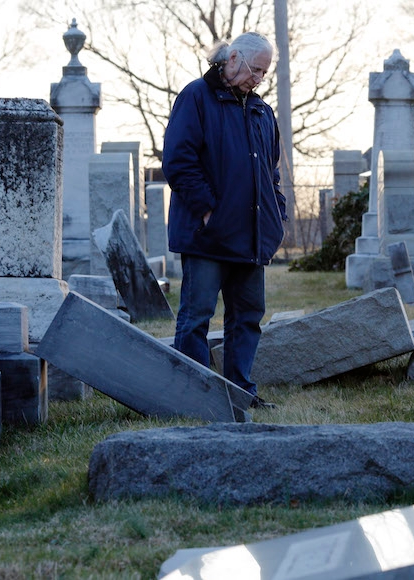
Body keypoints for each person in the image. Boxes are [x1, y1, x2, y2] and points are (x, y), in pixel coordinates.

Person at [162, 32, 286, 409]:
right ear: (232, 59)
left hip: (252, 237)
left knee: (247, 318)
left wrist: (276, 213)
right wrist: (207, 209)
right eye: (256, 70)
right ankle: (197, 397)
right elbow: (179, 161)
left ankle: (240, 393)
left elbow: (272, 173)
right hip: (207, 236)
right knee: (197, 316)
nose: (259, 79)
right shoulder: (196, 97)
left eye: (265, 73)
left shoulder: (263, 111)